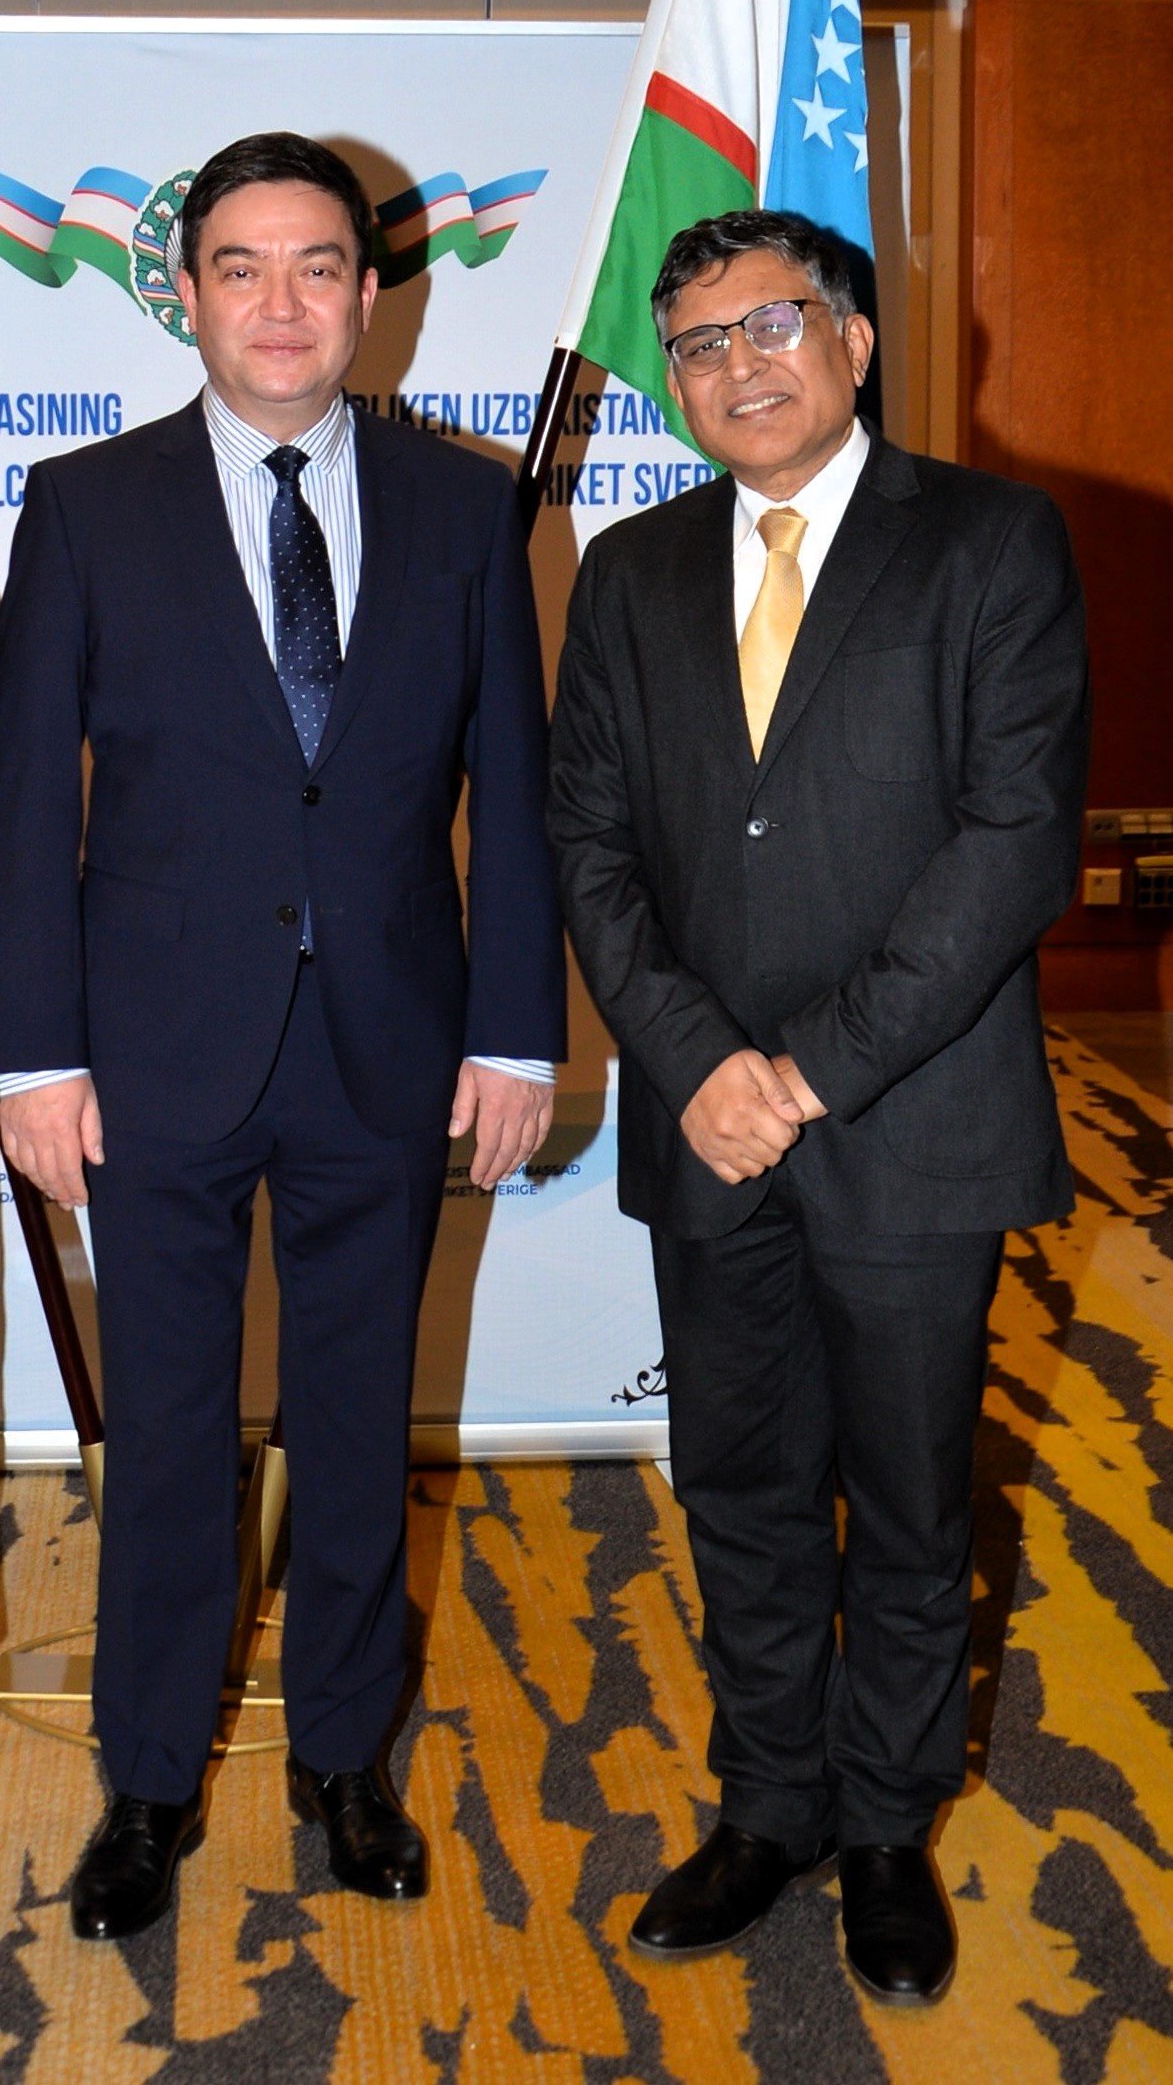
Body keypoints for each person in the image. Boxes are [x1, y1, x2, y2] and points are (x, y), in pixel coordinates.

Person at [0, 132, 565, 1941]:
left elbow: (511, 795)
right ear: (187, 295)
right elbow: (26, 805)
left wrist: (517, 1034)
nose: (282, 303)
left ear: (369, 295)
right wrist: (32, 1058)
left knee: (356, 1419)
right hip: (149, 1053)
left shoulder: (465, 509)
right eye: (241, 267)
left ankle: (341, 1759)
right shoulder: (85, 505)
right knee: (165, 1432)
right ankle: (149, 1778)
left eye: (317, 266)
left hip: (388, 1047)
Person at [547, 208, 1088, 2006]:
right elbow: (589, 844)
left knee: (910, 1501)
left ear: (852, 342)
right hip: (705, 1130)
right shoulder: (626, 571)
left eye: (771, 324)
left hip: (908, 1122)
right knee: (739, 1485)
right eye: (697, 343)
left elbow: (1013, 843)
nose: (737, 365)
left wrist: (806, 1071)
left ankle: (884, 1827)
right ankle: (768, 1804)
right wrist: (699, 1065)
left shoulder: (988, 541)